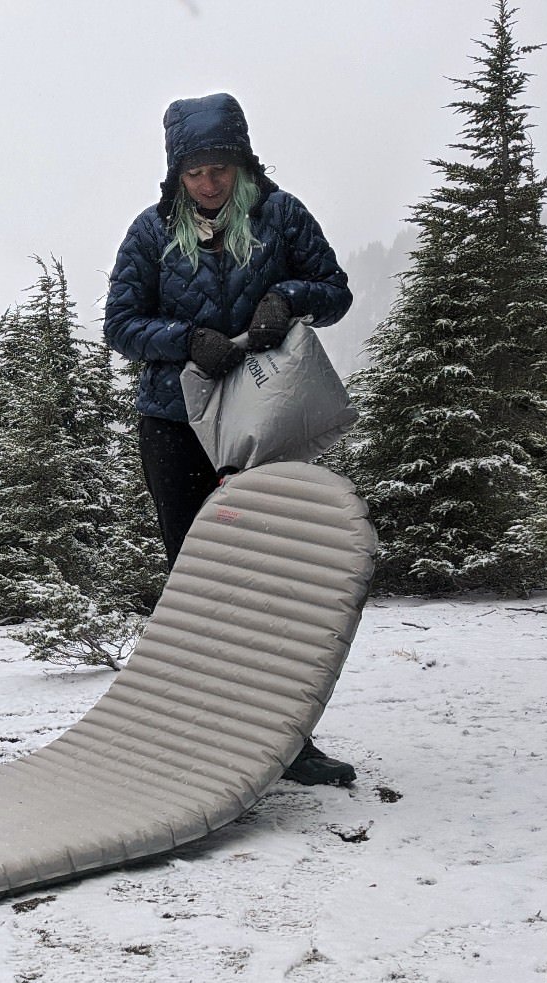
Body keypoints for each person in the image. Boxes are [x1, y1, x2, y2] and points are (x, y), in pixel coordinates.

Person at [103, 92, 356, 787]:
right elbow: (120, 324)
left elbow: (335, 290)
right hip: (173, 424)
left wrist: (288, 299)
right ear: (175, 174)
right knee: (195, 583)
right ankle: (198, 737)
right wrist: (187, 339)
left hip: (260, 423)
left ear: (241, 162)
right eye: (194, 171)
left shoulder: (280, 215)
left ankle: (287, 740)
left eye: (219, 167)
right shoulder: (151, 233)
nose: (208, 183)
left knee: (270, 578)